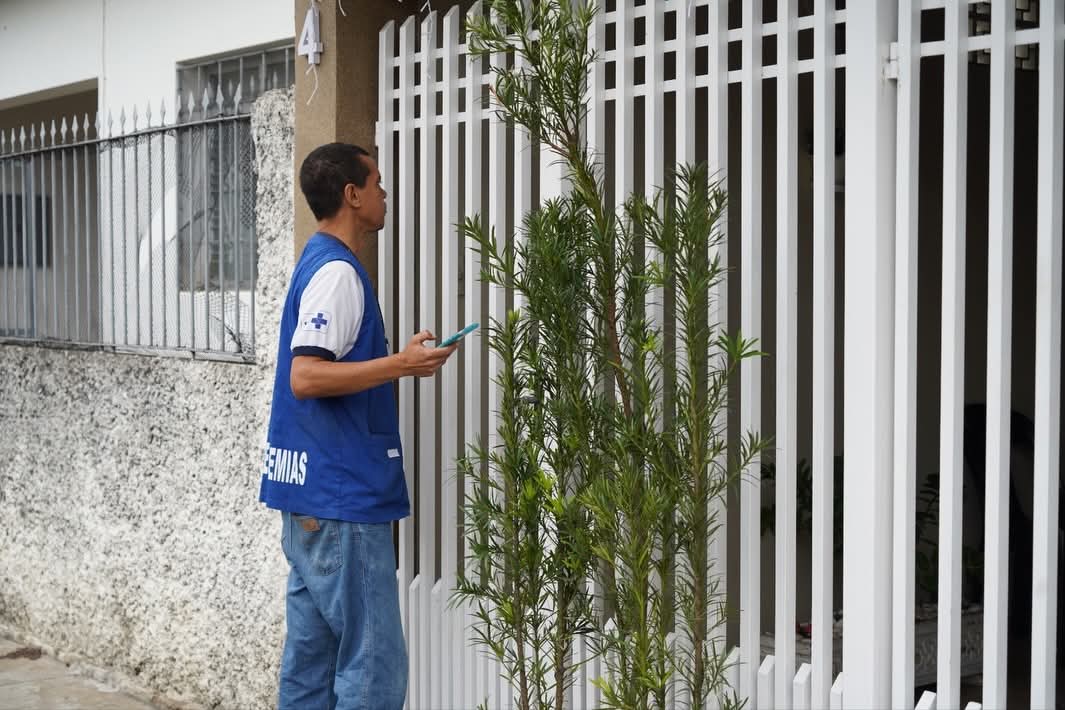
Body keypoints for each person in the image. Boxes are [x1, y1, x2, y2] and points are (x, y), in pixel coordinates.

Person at [260, 142, 457, 709]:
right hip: (341, 503)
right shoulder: (339, 274)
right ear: (352, 195)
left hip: (309, 500)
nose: (384, 193)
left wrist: (397, 360)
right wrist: (402, 364)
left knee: (311, 670)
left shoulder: (316, 262)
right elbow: (306, 375)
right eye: (376, 183)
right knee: (373, 672)